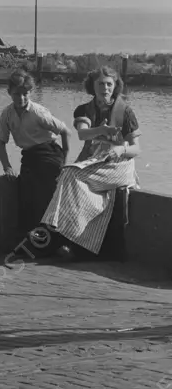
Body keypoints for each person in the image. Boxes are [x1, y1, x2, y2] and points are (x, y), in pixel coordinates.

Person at [41, 66, 141, 260]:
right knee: (69, 177)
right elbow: (82, 133)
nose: (105, 88)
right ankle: (77, 242)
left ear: (116, 86)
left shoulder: (126, 112)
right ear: (92, 86)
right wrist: (101, 130)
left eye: (109, 84)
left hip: (119, 164)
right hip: (93, 162)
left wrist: (121, 148)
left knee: (70, 175)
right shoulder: (84, 110)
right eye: (101, 84)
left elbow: (137, 149)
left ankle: (54, 235)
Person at [0, 70, 70, 257]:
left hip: (49, 154)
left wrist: (64, 162)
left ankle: (56, 246)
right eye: (16, 94)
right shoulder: (7, 114)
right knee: (27, 199)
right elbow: (0, 142)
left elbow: (64, 131)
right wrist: (7, 166)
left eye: (24, 94)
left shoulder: (38, 112)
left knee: (48, 199)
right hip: (29, 156)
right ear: (9, 93)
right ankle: (34, 246)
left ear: (30, 93)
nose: (20, 98)